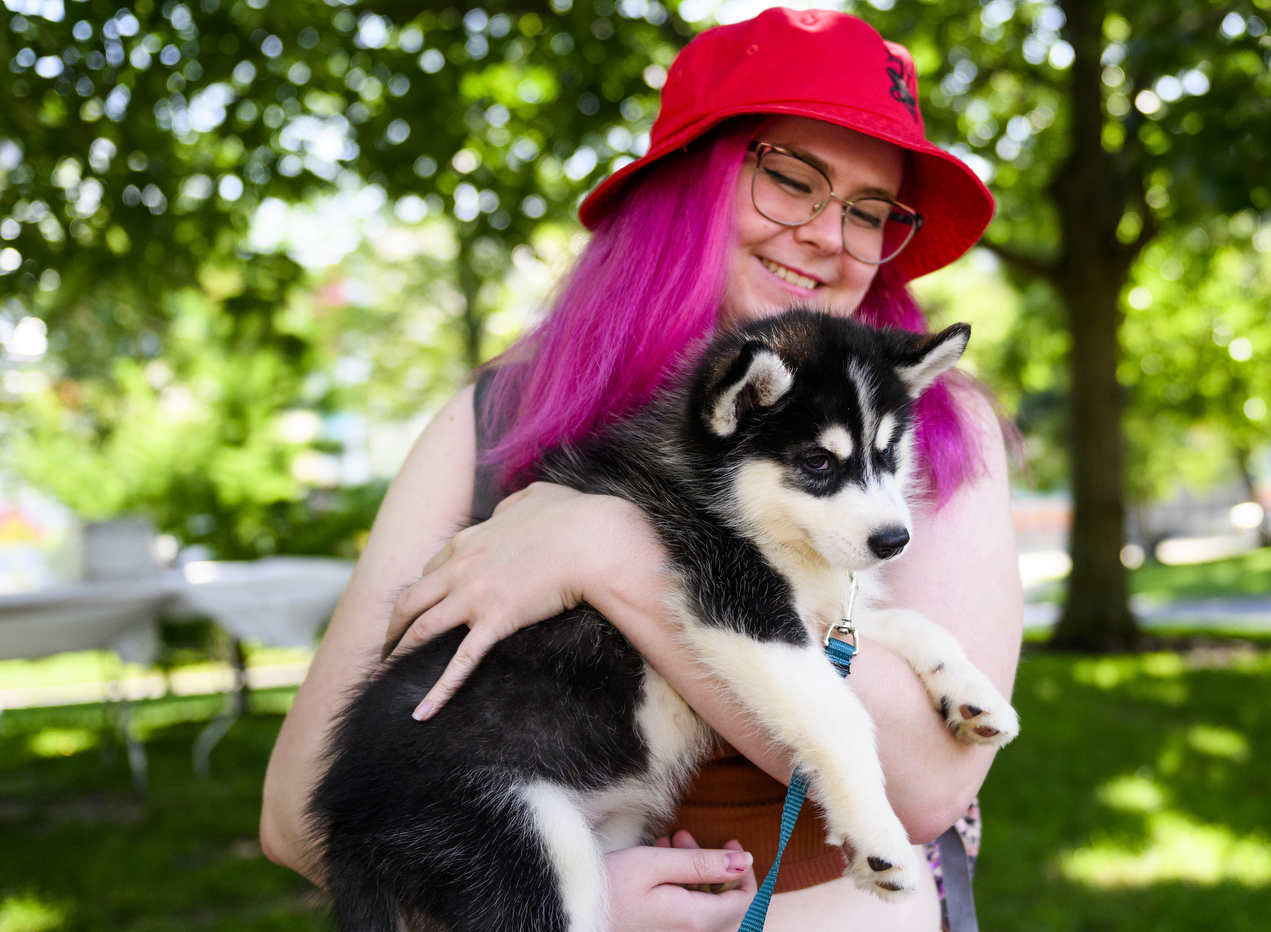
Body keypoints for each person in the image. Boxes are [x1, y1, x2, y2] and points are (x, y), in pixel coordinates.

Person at [260, 9, 1022, 932]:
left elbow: (929, 786)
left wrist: (608, 547)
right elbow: (301, 813)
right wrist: (566, 903)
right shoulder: (496, 414)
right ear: (687, 185)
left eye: (871, 213)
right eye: (790, 178)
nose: (831, 235)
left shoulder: (924, 422)